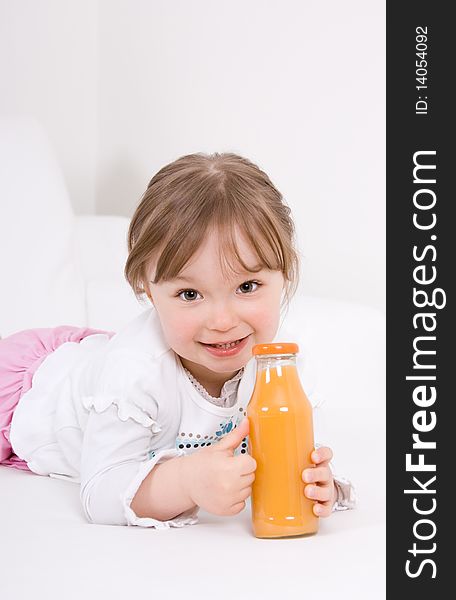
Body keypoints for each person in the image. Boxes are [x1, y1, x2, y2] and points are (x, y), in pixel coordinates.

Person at [0, 152, 356, 529]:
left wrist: (321, 486)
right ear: (148, 291)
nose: (222, 322)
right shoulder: (134, 372)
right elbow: (99, 494)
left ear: (285, 275)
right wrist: (187, 482)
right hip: (28, 388)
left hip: (99, 362)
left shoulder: (280, 365)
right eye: (190, 294)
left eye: (247, 286)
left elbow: (290, 456)